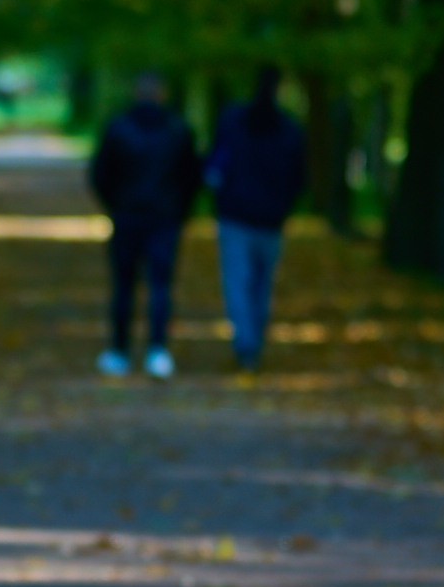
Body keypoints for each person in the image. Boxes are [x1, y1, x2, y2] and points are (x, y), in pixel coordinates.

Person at [89, 71, 200, 379]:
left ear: (136, 92)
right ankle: (157, 350)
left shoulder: (118, 126)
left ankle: (119, 351)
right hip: (164, 219)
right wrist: (181, 211)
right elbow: (192, 176)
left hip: (128, 216)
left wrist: (116, 204)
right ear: (161, 93)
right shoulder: (178, 128)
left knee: (123, 285)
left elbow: (100, 174)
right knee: (160, 285)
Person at [205, 65, 306, 371]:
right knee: (261, 285)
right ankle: (252, 342)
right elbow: (299, 178)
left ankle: (247, 343)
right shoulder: (289, 129)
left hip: (237, 217)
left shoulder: (233, 121)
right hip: (269, 220)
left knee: (239, 283)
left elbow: (215, 165)